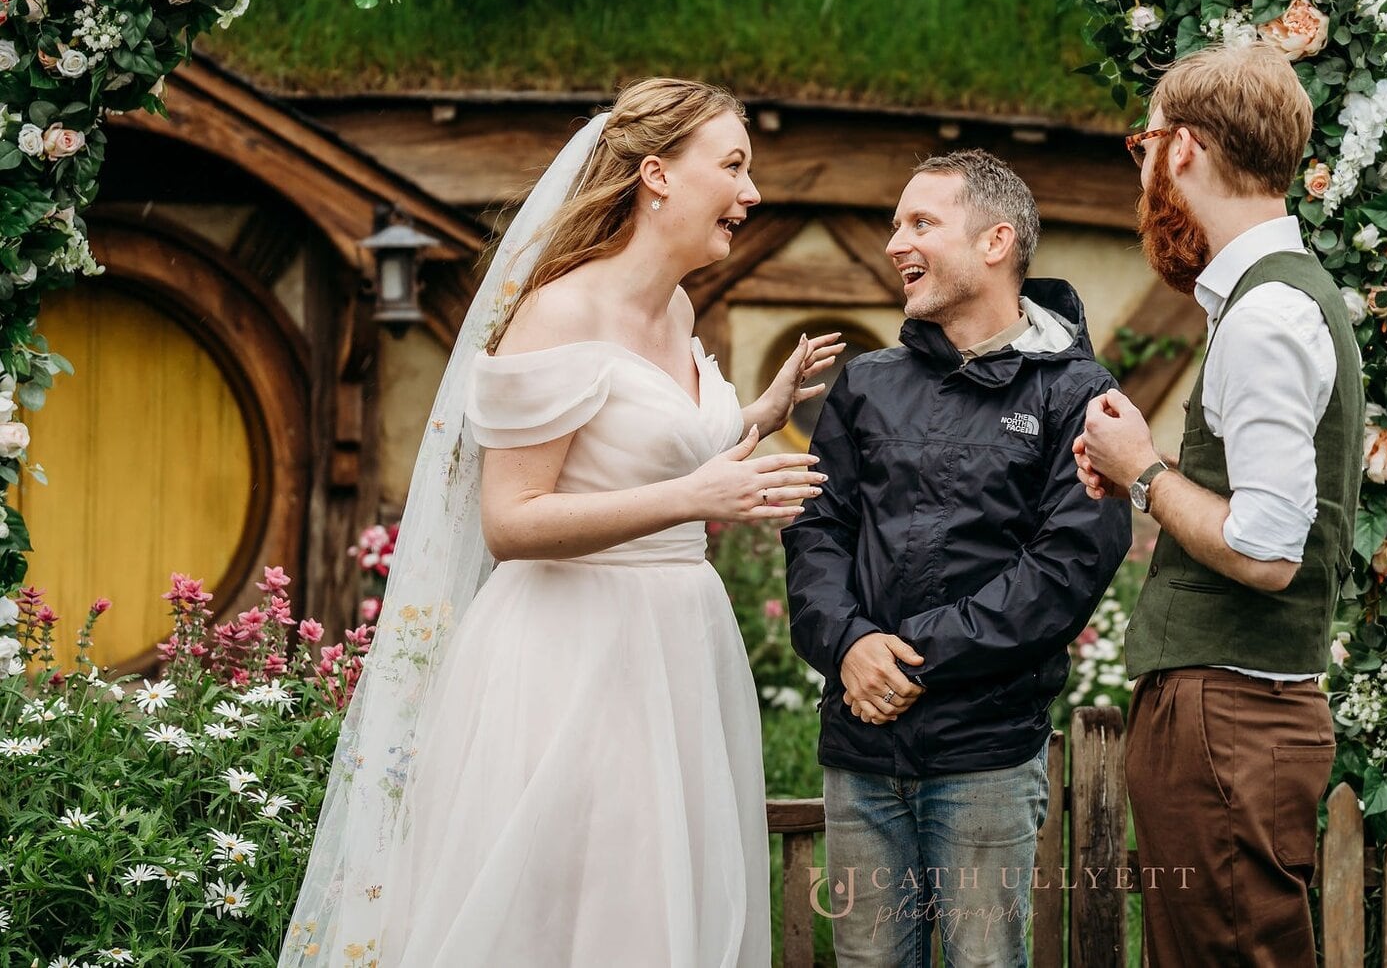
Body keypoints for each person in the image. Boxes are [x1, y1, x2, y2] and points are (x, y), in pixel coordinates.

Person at [283, 78, 843, 968]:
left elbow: (639, 450)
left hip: (680, 647)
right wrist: (695, 498)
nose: (752, 192)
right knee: (571, 909)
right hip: (572, 652)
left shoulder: (677, 308)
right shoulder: (559, 311)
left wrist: (753, 417)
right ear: (657, 175)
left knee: (658, 902)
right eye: (734, 166)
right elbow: (511, 520)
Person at [784, 150, 1129, 968]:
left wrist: (908, 654)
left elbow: (1066, 567)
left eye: (920, 222)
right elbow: (815, 527)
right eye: (895, 224)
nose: (894, 242)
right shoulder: (866, 385)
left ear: (995, 241)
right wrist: (847, 643)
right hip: (860, 750)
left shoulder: (1077, 392)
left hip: (986, 756)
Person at [1074, 42, 1365, 968]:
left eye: (1144, 146)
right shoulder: (1276, 298)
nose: (1144, 173)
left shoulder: (1266, 315)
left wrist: (1144, 474)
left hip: (1226, 718)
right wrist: (1142, 466)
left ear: (1185, 148)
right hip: (1234, 715)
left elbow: (1268, 549)